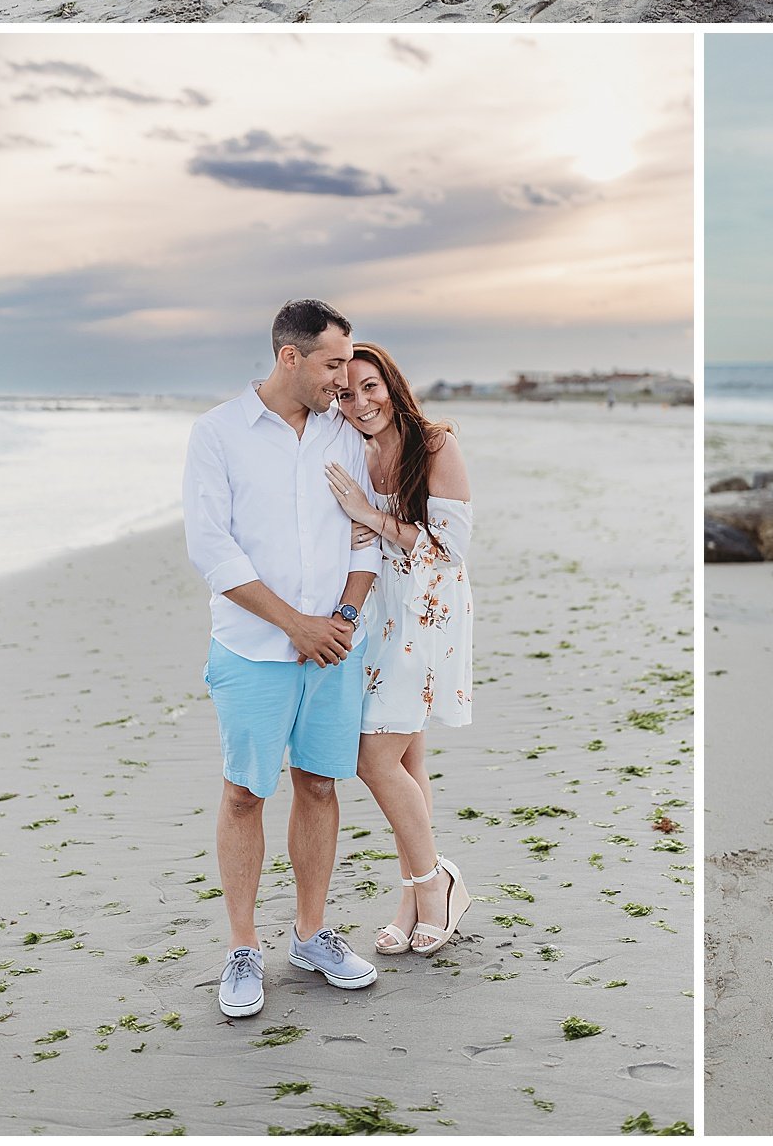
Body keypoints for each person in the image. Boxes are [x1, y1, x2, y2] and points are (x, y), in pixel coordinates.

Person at [182, 298, 381, 1021]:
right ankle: (242, 946)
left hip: (333, 647)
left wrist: (343, 619)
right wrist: (295, 625)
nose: (344, 378)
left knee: (321, 786)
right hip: (253, 648)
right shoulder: (219, 434)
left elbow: (365, 538)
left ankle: (311, 934)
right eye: (333, 363)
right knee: (244, 793)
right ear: (289, 357)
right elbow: (212, 548)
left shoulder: (345, 433)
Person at [326, 343, 474, 957]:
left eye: (370, 386)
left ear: (392, 383)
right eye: (346, 393)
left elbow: (451, 548)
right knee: (408, 763)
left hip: (426, 617)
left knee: (373, 758)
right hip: (377, 616)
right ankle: (415, 898)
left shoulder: (435, 444)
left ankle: (432, 881)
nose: (361, 402)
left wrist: (369, 515)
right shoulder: (355, 452)